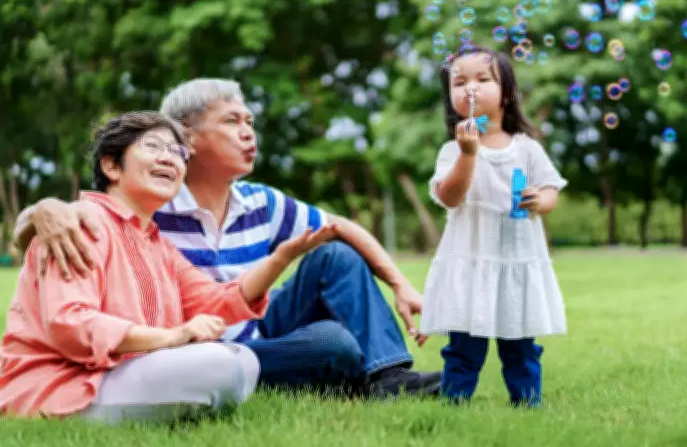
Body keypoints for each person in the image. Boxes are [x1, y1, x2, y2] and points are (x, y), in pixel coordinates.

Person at [12, 79, 441, 398]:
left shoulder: (262, 202)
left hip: (251, 331)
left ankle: (388, 376)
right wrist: (42, 208)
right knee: (334, 345)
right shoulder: (151, 203)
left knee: (333, 255)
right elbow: (76, 219)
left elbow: (339, 227)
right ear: (189, 137)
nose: (249, 132)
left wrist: (401, 284)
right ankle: (334, 372)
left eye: (250, 122)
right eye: (232, 121)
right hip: (189, 346)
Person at [0, 112, 340, 423]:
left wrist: (280, 259)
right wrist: (172, 336)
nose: (169, 158)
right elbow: (69, 323)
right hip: (61, 384)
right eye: (153, 147)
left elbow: (216, 300)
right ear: (112, 167)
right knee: (219, 365)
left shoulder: (157, 244)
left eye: (178, 152)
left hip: (119, 373)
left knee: (242, 361)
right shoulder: (78, 224)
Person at [419, 46, 568, 406]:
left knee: (521, 348)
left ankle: (528, 405)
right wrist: (468, 154)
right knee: (462, 349)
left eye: (482, 79)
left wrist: (540, 200)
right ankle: (455, 404)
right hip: (470, 263)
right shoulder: (452, 151)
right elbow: (450, 197)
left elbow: (551, 190)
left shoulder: (526, 148)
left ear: (508, 93)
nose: (469, 88)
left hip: (514, 262)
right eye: (459, 82)